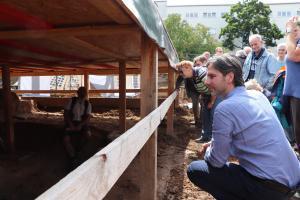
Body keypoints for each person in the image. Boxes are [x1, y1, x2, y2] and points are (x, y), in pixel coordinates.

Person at [187, 54, 300, 200]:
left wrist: (210, 150)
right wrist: (219, 145)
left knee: (195, 169)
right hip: (294, 181)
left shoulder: (225, 108)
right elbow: (252, 139)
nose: (207, 81)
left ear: (229, 77)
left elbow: (217, 160)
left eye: (212, 76)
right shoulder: (257, 95)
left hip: (270, 190)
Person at [176, 60, 218, 142]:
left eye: (181, 71)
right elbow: (201, 87)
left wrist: (212, 102)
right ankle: (205, 137)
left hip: (215, 96)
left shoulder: (201, 73)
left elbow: (214, 87)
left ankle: (214, 140)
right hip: (207, 95)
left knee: (213, 117)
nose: (180, 74)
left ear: (187, 68)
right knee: (206, 117)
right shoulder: (192, 76)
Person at [63, 86, 92, 168]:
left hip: (82, 123)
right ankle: (73, 156)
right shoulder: (71, 101)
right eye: (81, 92)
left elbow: (88, 118)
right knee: (66, 139)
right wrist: (71, 124)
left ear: (86, 94)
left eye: (84, 93)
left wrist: (81, 125)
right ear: (78, 93)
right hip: (71, 122)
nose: (82, 94)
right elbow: (66, 114)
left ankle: (78, 150)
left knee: (88, 135)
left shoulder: (88, 104)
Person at [284, 16, 300, 153]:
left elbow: (293, 56)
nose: (293, 31)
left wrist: (289, 32)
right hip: (295, 94)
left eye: (296, 28)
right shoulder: (295, 42)